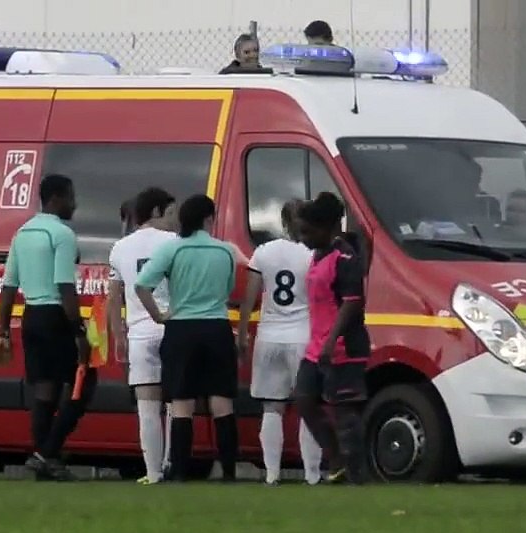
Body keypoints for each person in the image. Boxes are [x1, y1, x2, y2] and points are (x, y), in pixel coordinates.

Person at [135, 195, 239, 483]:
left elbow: (142, 284)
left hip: (181, 328)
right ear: (209, 218)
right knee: (222, 402)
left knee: (182, 402)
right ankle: (228, 470)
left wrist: (158, 315)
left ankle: (180, 470)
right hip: (217, 327)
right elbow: (228, 289)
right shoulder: (225, 252)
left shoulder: (173, 250)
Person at [0, 175, 91, 481]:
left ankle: (45, 462)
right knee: (84, 381)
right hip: (55, 316)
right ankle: (47, 452)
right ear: (56, 198)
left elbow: (8, 288)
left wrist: (3, 331)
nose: (74, 204)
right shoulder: (62, 234)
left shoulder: (21, 234)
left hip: (31, 316)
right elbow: (65, 286)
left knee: (44, 390)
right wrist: (78, 332)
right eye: (70, 197)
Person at [237, 200, 325, 486]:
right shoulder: (312, 255)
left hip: (270, 335)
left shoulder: (264, 252)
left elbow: (250, 297)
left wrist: (242, 333)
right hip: (302, 335)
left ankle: (272, 473)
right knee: (307, 406)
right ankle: (312, 474)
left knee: (272, 407)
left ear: (284, 223)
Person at [294, 193, 370, 484]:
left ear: (327, 228)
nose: (303, 238)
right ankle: (336, 459)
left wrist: (331, 340)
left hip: (343, 347)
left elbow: (352, 302)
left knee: (345, 414)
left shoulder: (345, 257)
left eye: (308, 232)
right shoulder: (318, 254)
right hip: (318, 346)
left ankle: (356, 475)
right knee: (303, 400)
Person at [107, 187, 179, 485]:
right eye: (171, 213)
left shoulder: (120, 248)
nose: (175, 221)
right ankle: (172, 463)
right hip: (172, 329)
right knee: (176, 404)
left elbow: (114, 298)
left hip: (139, 332)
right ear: (156, 212)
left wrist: (118, 336)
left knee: (147, 407)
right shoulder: (175, 243)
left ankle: (152, 472)